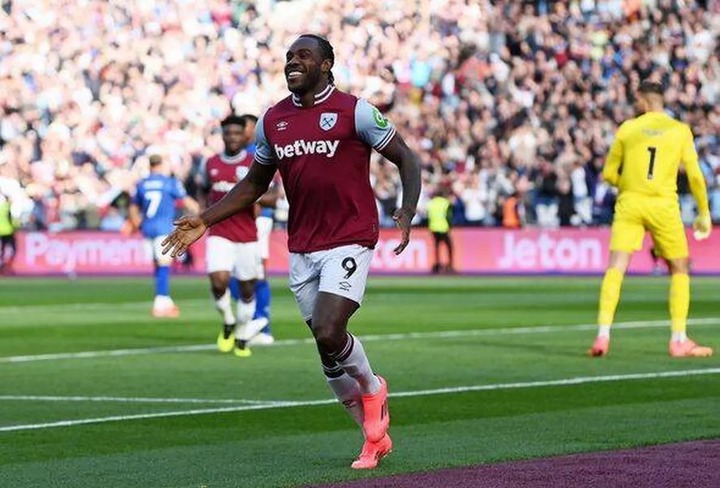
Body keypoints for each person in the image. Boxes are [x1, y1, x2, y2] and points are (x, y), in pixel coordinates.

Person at [162, 34, 421, 469]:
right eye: (288, 57)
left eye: (303, 56)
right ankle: (372, 434)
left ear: (326, 64)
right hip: (302, 244)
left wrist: (408, 208)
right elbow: (253, 184)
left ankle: (374, 389)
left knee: (327, 329)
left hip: (351, 235)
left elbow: (407, 158)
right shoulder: (272, 121)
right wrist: (206, 219)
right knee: (328, 349)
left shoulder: (355, 111)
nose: (292, 62)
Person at [589, 80, 713, 358]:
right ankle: (678, 339)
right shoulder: (679, 131)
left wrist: (631, 183)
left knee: (616, 267)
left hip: (630, 203)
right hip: (663, 205)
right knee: (679, 268)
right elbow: (694, 175)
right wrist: (704, 212)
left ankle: (602, 336)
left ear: (643, 101)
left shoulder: (628, 129)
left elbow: (609, 174)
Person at [200, 115, 274, 357]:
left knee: (246, 289)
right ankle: (228, 320)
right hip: (219, 232)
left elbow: (274, 196)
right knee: (218, 281)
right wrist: (202, 217)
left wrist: (247, 191)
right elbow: (203, 192)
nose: (232, 137)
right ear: (222, 135)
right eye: (227, 133)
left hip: (247, 236)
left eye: (236, 133)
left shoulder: (255, 162)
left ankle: (242, 332)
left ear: (245, 135)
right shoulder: (210, 163)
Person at [128, 154, 198, 317]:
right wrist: (202, 214)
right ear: (160, 165)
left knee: (158, 265)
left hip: (147, 228)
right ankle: (161, 302)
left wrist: (137, 222)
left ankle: (165, 300)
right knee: (164, 264)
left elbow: (133, 207)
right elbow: (186, 201)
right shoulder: (169, 182)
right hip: (164, 228)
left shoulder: (142, 184)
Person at [426, 187, 454, 274]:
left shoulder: (430, 203)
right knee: (449, 247)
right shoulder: (446, 203)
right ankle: (449, 266)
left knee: (437, 247)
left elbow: (428, 216)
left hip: (433, 228)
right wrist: (450, 226)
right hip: (443, 228)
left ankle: (437, 265)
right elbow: (449, 216)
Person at [0, 191, 17, 273]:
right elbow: (13, 221)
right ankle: (7, 266)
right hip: (8, 231)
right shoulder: (8, 207)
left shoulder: (2, 208)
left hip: (1, 232)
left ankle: (2, 265)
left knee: (2, 250)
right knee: (13, 249)